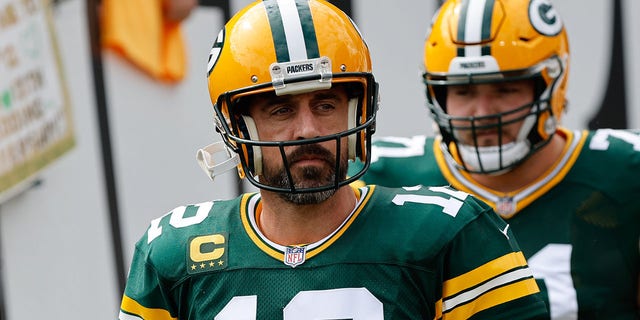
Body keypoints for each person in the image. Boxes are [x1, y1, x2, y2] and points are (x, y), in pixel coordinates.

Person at [118, 0, 548, 319]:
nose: (307, 129)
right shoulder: (173, 253)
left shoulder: (450, 234)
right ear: (238, 127)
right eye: (281, 110)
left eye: (325, 104)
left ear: (359, 112)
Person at [349, 0, 640, 318]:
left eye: (505, 89)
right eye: (464, 91)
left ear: (550, 85)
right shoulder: (380, 180)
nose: (484, 113)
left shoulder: (626, 170)